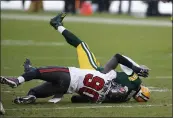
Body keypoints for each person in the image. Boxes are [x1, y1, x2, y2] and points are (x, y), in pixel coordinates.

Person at [0, 13, 149, 104]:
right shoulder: (122, 98)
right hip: (88, 87)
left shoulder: (135, 81)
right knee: (67, 79)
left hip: (94, 71)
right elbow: (79, 99)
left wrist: (137, 68)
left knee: (81, 45)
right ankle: (33, 74)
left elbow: (119, 57)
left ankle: (57, 24)